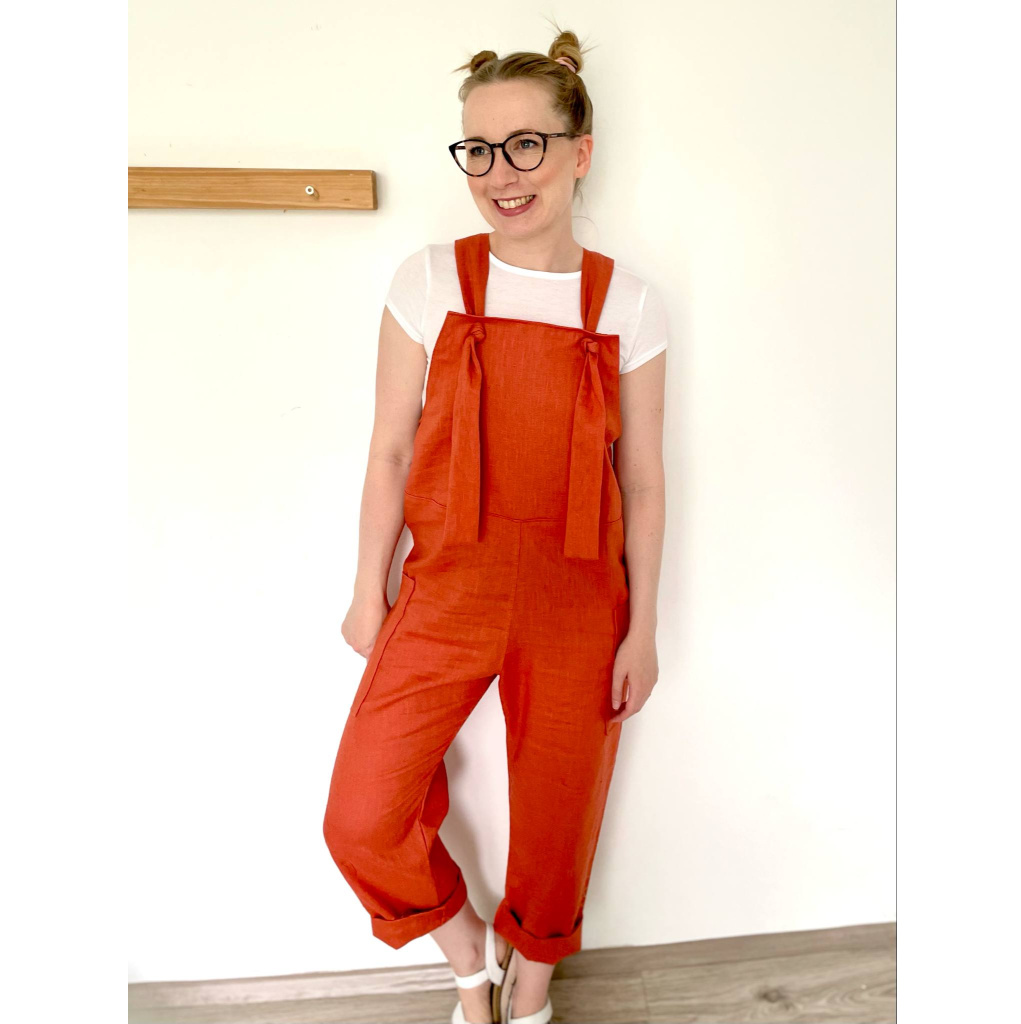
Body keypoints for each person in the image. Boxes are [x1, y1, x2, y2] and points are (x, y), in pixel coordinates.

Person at [323, 27, 667, 1024]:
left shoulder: (629, 303)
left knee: (560, 818)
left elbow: (644, 483)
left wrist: (641, 628)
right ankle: (468, 956)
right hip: (446, 591)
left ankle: (531, 989)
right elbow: (390, 451)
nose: (500, 173)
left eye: (525, 145)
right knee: (361, 814)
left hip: (577, 603)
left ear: (580, 151)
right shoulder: (429, 281)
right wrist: (366, 589)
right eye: (478, 149)